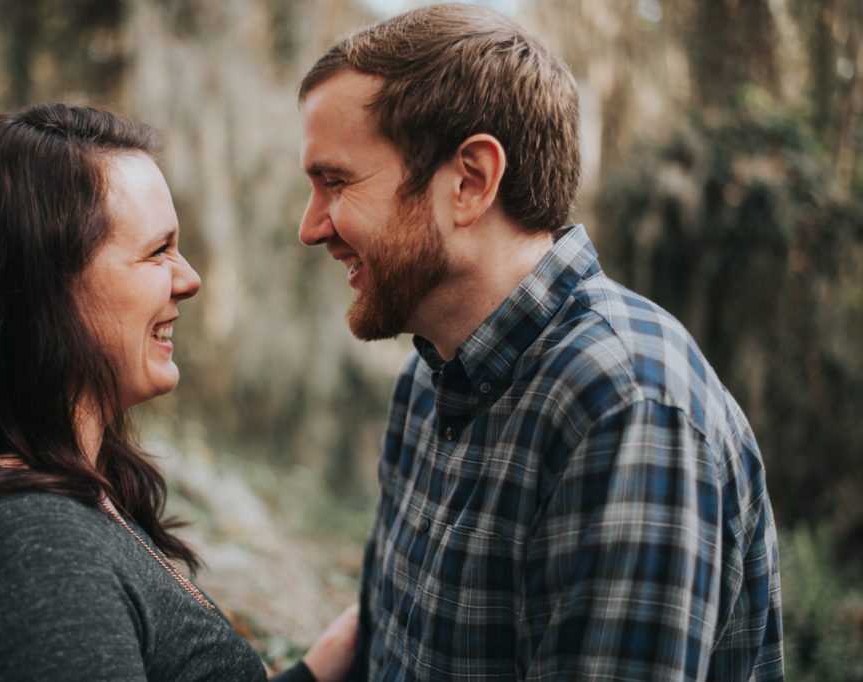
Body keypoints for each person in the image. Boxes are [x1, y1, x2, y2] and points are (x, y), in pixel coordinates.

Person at [296, 4, 783, 680]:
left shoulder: (629, 411)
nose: (312, 226)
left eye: (336, 182)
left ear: (469, 180)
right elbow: (389, 641)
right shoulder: (428, 380)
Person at [0, 103, 357, 681]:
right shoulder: (30, 558)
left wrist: (316, 670)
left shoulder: (59, 499)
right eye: (158, 251)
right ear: (43, 292)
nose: (189, 279)